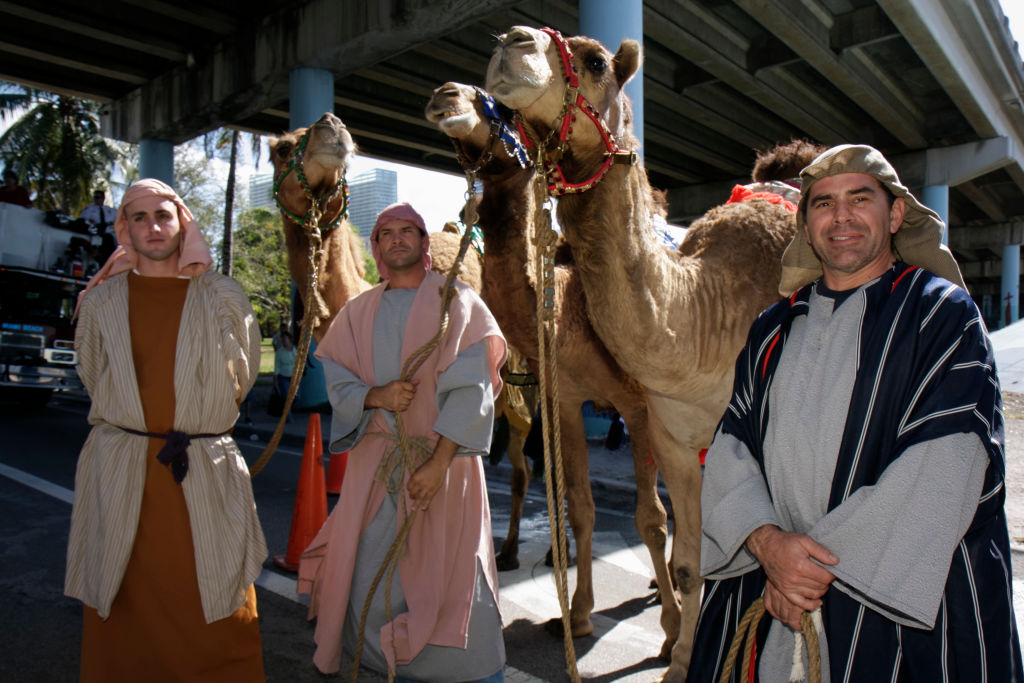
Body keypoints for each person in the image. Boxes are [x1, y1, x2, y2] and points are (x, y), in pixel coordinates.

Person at [688, 144, 1022, 682]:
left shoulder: (942, 315)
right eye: (822, 203)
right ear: (806, 222)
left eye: (859, 198)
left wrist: (800, 573)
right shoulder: (773, 328)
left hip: (897, 614)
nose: (840, 216)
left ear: (894, 214)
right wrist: (768, 546)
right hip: (772, 595)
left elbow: (947, 466)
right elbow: (731, 448)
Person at [66, 178, 267, 682]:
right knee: (121, 593)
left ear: (183, 223)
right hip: (121, 467)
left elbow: (241, 379)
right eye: (140, 217)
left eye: (164, 215)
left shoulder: (222, 295)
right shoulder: (101, 301)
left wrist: (195, 414)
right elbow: (92, 372)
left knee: (216, 599)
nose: (153, 227)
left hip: (202, 469)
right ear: (125, 229)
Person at [297, 202, 508, 683]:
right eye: (386, 233)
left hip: (444, 470)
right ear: (375, 248)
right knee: (367, 572)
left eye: (407, 231)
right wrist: (376, 396)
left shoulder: (458, 304)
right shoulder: (356, 314)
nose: (396, 239)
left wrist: (437, 464)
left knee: (453, 578)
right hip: (375, 469)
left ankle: (466, 673)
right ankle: (377, 664)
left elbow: (471, 390)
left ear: (424, 244)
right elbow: (338, 381)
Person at [80, 188, 119, 261]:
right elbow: (84, 218)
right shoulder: (89, 208)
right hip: (95, 231)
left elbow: (119, 218)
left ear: (103, 198)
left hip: (108, 233)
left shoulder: (109, 210)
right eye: (95, 197)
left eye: (98, 197)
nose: (96, 199)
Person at [274, 330, 297, 423]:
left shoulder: (295, 350)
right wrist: (275, 379)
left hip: (293, 376)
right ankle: (288, 416)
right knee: (287, 396)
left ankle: (286, 410)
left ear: (289, 340)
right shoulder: (280, 352)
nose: (284, 342)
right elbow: (277, 366)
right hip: (283, 376)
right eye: (282, 340)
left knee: (296, 396)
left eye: (285, 340)